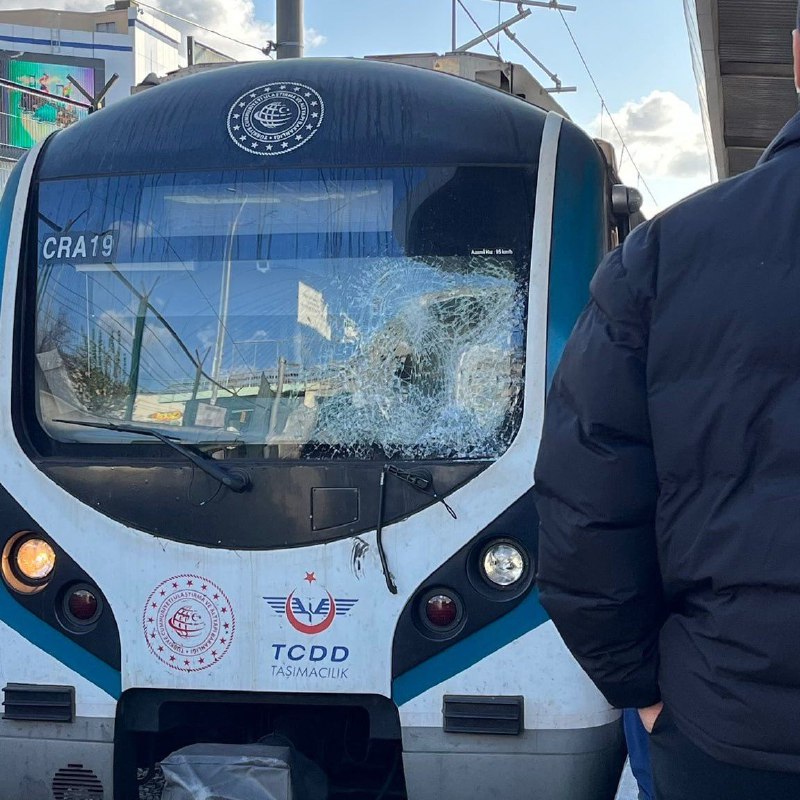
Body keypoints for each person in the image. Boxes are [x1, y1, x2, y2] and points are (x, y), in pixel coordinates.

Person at [533, 5, 800, 799]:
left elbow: (584, 504)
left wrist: (643, 692)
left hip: (726, 731)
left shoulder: (664, 257)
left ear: (796, 58)